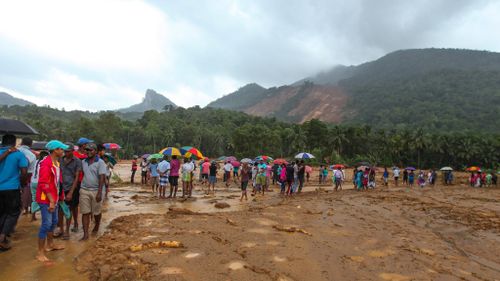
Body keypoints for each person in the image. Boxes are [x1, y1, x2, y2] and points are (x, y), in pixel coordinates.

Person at [35, 140, 67, 262]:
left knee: (53, 222)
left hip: (55, 197)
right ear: (55, 150)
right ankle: (40, 253)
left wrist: (59, 196)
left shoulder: (56, 163)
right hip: (46, 199)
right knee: (46, 224)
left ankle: (50, 245)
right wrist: (51, 201)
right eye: (61, 149)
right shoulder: (46, 164)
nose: (63, 151)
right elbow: (43, 183)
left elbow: (57, 182)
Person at [0, 134, 28, 251]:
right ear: (14, 143)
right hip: (12, 188)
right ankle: (2, 238)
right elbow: (24, 172)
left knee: (1, 213)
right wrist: (22, 184)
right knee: (13, 213)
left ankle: (3, 237)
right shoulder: (18, 154)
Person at [79, 143, 107, 241]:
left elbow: (102, 177)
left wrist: (99, 192)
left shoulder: (100, 162)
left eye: (91, 150)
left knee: (96, 212)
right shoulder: (83, 162)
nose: (88, 152)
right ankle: (86, 234)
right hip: (84, 189)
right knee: (85, 212)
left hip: (96, 190)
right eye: (87, 150)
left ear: (95, 151)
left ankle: (97, 224)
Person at [57, 143, 81, 240]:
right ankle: (61, 229)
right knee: (60, 209)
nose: (66, 153)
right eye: (65, 151)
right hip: (61, 187)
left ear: (72, 151)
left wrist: (71, 192)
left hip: (72, 188)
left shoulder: (77, 161)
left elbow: (76, 177)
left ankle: (67, 230)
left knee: (69, 209)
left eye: (68, 151)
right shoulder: (60, 159)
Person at [71, 137, 89, 232]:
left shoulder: (89, 155)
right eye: (87, 144)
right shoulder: (73, 155)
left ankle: (86, 223)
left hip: (86, 182)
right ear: (83, 145)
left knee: (86, 204)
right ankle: (76, 223)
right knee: (74, 205)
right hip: (76, 182)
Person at [18, 137, 36, 216]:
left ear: (21, 142)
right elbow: (28, 168)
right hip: (27, 178)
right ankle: (29, 211)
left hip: (13, 178)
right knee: (28, 195)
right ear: (31, 144)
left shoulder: (15, 151)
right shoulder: (31, 155)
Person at [31, 150, 49, 222]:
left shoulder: (36, 162)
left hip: (33, 183)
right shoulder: (44, 163)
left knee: (34, 199)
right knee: (43, 200)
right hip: (40, 184)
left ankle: (33, 216)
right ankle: (44, 216)